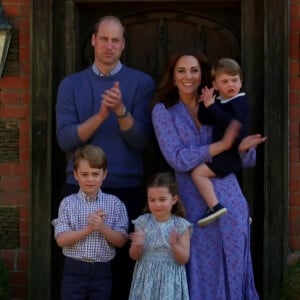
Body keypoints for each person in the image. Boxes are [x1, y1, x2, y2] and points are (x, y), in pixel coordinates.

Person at [151, 50, 267, 299]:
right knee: (201, 269)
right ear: (173, 77)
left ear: (203, 75)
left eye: (194, 70)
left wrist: (243, 148)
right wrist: (221, 146)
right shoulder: (163, 112)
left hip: (230, 200)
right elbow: (177, 157)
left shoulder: (220, 101)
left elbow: (247, 158)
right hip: (194, 204)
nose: (188, 76)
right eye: (181, 71)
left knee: (235, 267)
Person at [55, 15, 155, 299]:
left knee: (124, 271)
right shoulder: (71, 85)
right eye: (105, 39)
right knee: (79, 267)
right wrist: (100, 116)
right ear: (94, 41)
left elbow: (142, 141)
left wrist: (121, 111)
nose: (110, 46)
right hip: (81, 188)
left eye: (116, 40)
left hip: (126, 188)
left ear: (123, 44)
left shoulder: (140, 83)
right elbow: (66, 139)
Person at [52, 145, 128, 300]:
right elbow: (61, 239)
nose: (90, 179)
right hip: (74, 270)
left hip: (102, 271)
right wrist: (89, 229)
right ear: (75, 175)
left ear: (104, 174)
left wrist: (101, 227)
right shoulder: (67, 203)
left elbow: (121, 241)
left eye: (95, 174)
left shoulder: (115, 204)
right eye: (84, 174)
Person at [191, 58, 250, 227]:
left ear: (241, 81)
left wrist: (212, 107)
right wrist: (205, 104)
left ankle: (214, 206)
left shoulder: (240, 102)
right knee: (230, 185)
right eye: (225, 81)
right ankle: (241, 211)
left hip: (231, 153)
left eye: (234, 80)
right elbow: (205, 119)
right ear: (215, 85)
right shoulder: (221, 102)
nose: (231, 84)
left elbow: (230, 122)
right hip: (223, 153)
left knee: (198, 173)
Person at [128, 172, 192, 300]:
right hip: (145, 278)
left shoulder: (181, 225)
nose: (157, 204)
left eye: (162, 199)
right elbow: (134, 256)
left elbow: (183, 259)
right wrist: (137, 244)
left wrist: (174, 245)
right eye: (152, 200)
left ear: (174, 199)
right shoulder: (142, 222)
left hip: (170, 279)